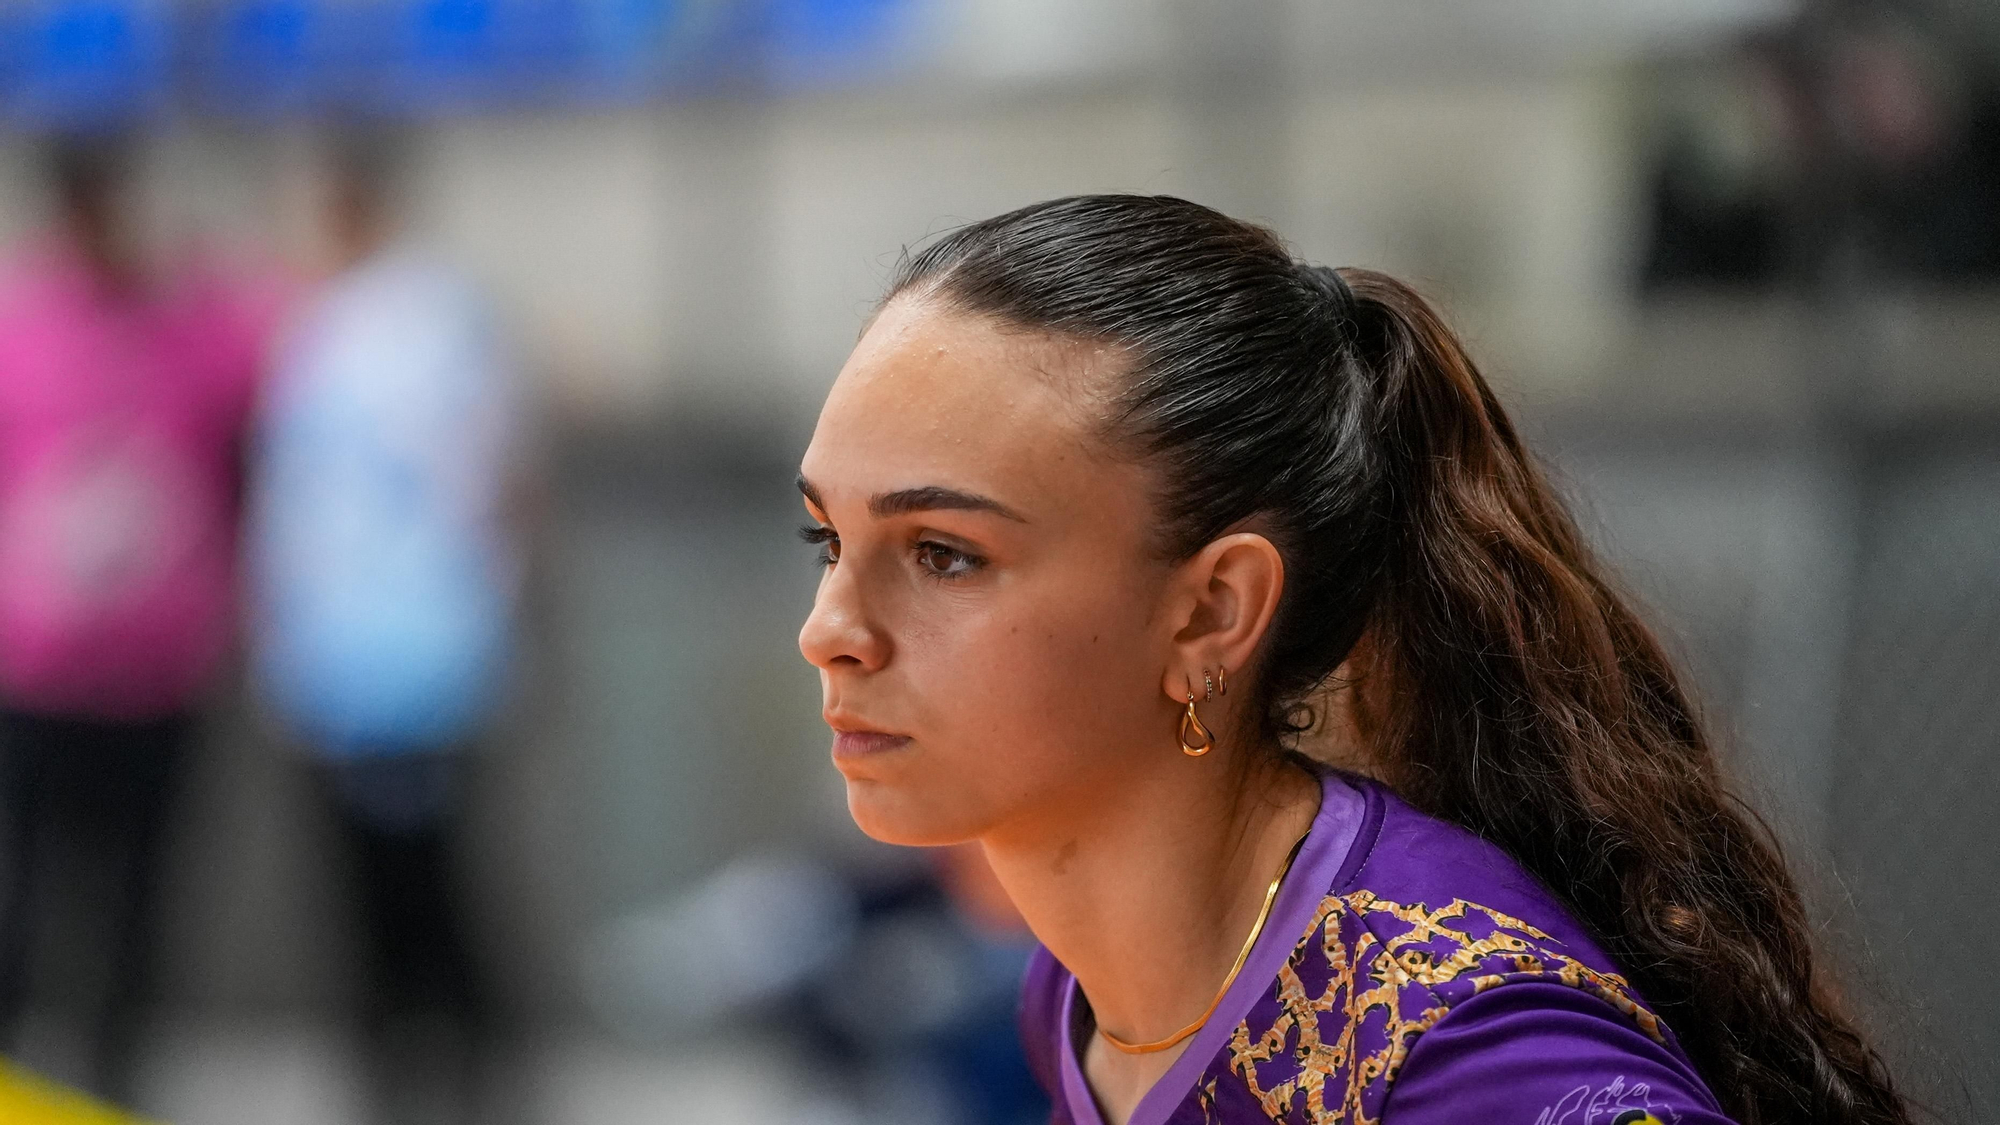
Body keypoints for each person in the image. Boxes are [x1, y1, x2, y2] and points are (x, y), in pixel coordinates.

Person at [793, 196, 1910, 1125]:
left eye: (943, 554)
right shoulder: (1079, 990)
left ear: (1209, 615)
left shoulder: (1466, 1049)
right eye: (828, 541)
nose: (829, 628)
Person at [246, 134, 524, 1125]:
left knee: (436, 887)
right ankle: (388, 1074)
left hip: (427, 651)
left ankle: (474, 1070)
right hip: (331, 657)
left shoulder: (434, 318)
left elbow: (492, 488)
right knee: (355, 896)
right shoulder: (303, 324)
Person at [0, 138, 276, 1108]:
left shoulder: (194, 321)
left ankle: (110, 1086)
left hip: (158, 670)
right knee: (25, 902)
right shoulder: (19, 324)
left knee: (137, 906)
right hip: (36, 672)